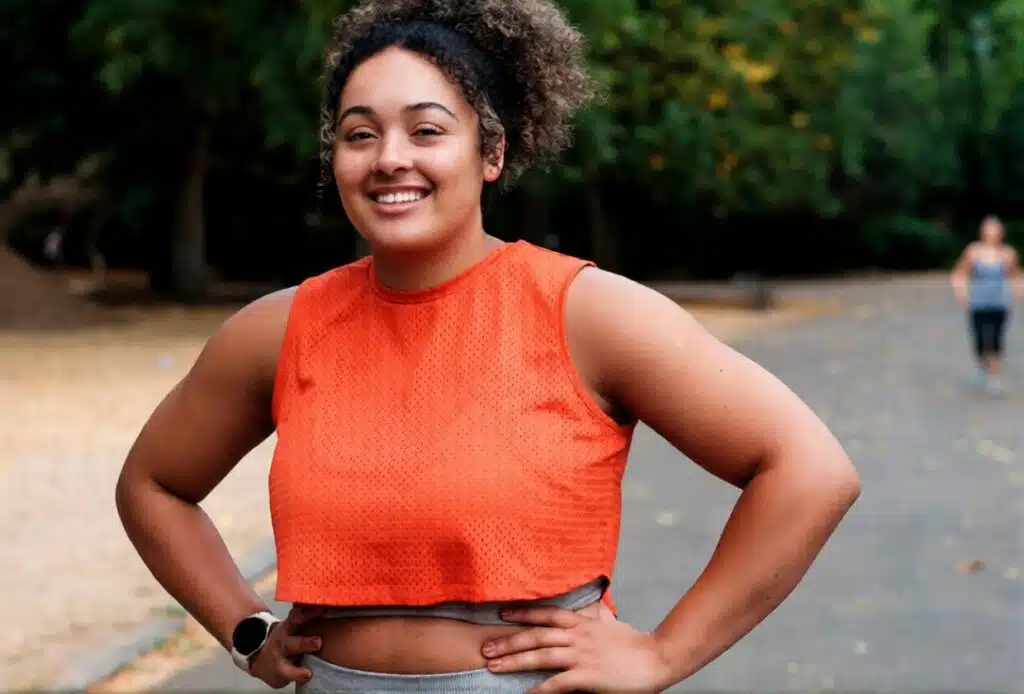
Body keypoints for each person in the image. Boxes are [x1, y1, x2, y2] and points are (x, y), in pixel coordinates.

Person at [113, 0, 861, 691]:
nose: (389, 158)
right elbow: (153, 486)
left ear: (492, 151)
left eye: (428, 130)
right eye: (359, 133)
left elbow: (809, 471)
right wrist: (248, 632)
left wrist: (664, 653)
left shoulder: (586, 312)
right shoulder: (278, 330)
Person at [951, 215, 1021, 394]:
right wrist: (961, 292)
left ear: (1001, 233)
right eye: (989, 230)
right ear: (982, 232)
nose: (992, 234)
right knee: (980, 340)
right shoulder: (973, 252)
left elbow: (1015, 276)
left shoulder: (1007, 254)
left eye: (995, 230)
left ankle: (994, 378)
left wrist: (1019, 291)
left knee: (996, 340)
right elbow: (960, 273)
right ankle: (982, 365)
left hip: (999, 303)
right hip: (978, 303)